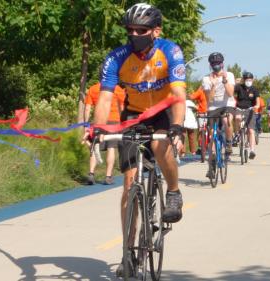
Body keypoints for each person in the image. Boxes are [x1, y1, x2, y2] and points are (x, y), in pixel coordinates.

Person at [90, 3, 186, 276]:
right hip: (133, 115)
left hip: (163, 112)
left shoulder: (170, 51)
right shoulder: (117, 57)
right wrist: (97, 129)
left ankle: (174, 191)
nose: (134, 35)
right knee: (129, 183)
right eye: (129, 30)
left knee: (159, 144)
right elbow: (105, 96)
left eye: (141, 30)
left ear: (156, 31)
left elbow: (179, 93)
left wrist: (177, 126)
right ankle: (127, 251)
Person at [83, 67, 125, 185]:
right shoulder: (118, 90)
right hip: (114, 122)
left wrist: (86, 125)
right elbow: (122, 108)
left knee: (95, 146)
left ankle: (91, 174)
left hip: (98, 121)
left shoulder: (93, 89)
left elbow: (87, 108)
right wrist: (123, 123)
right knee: (111, 148)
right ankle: (108, 176)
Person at [201, 52, 235, 177]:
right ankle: (211, 167)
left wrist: (224, 80)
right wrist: (214, 85)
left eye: (218, 63)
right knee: (212, 136)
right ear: (210, 65)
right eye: (214, 64)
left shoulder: (229, 75)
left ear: (222, 64)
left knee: (227, 121)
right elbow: (208, 99)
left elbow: (231, 93)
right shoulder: (206, 79)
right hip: (213, 107)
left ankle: (229, 142)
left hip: (227, 105)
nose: (216, 66)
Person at [234, 71, 260, 159]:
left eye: (250, 80)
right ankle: (237, 134)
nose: (248, 81)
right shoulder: (239, 87)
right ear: (244, 80)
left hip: (250, 110)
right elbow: (230, 92)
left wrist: (256, 106)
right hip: (239, 108)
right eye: (247, 79)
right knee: (237, 118)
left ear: (252, 80)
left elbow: (258, 102)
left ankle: (252, 151)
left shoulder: (255, 89)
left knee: (251, 131)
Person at [190, 87, 207, 155]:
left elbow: (192, 97)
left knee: (201, 129)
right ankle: (205, 145)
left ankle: (200, 147)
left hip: (202, 113)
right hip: (209, 112)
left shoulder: (200, 91)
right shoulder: (211, 90)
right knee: (205, 129)